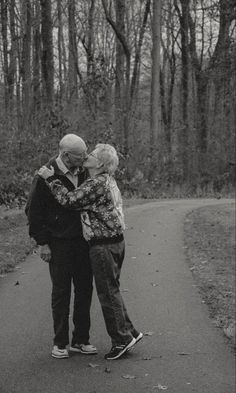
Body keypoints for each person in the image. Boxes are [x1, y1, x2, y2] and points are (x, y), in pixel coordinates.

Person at [38, 143, 143, 360]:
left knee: (107, 294)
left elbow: (69, 200)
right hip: (116, 242)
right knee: (112, 289)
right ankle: (130, 332)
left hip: (103, 245)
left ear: (100, 163)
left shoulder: (96, 183)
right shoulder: (106, 180)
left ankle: (121, 340)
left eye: (93, 154)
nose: (88, 155)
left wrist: (50, 178)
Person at [25, 134, 97, 359]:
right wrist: (42, 243)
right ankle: (60, 342)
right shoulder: (45, 175)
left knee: (85, 290)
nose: (84, 158)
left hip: (83, 242)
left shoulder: (85, 171)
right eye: (80, 155)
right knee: (61, 293)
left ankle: (81, 339)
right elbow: (33, 211)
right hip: (58, 243)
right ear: (65, 155)